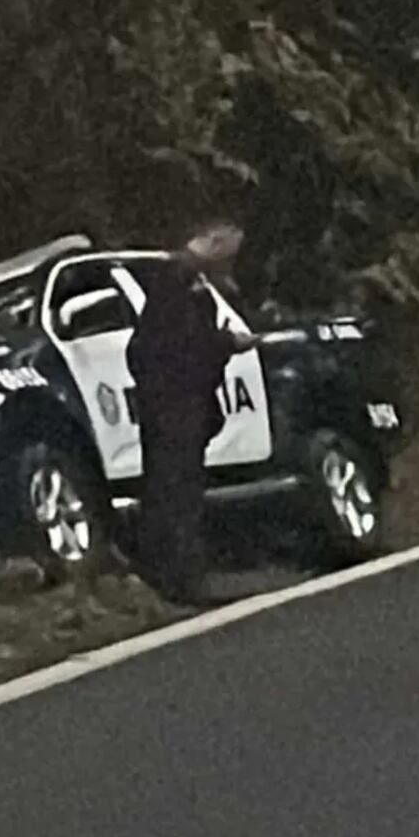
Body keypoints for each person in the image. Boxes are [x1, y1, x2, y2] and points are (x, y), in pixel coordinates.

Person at [126, 222, 260, 604]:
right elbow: (177, 343)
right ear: (213, 240)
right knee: (175, 492)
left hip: (180, 403)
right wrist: (226, 342)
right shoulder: (174, 280)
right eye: (228, 251)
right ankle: (181, 580)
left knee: (180, 489)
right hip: (173, 404)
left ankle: (182, 576)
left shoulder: (185, 281)